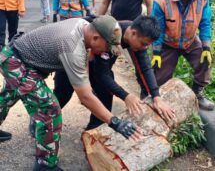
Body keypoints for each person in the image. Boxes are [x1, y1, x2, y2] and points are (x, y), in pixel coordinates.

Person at [0, 15, 142, 171]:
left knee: (7, 96)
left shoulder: (83, 25)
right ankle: (45, 166)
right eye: (107, 47)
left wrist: (87, 85)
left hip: (16, 55)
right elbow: (85, 97)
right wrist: (116, 123)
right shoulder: (73, 47)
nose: (107, 52)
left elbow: (84, 64)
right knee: (49, 110)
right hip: (17, 63)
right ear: (95, 38)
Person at [55, 15, 175, 130]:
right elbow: (102, 75)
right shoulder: (112, 34)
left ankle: (93, 132)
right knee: (62, 95)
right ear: (133, 33)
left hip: (96, 65)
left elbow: (145, 68)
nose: (145, 48)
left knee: (105, 97)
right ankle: (43, 122)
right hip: (72, 59)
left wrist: (156, 96)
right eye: (144, 44)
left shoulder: (136, 35)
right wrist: (126, 96)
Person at [151, 0, 214, 110]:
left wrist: (206, 47)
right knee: (159, 75)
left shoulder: (203, 0)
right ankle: (155, 96)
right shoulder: (162, 1)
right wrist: (157, 52)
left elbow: (205, 24)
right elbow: (157, 28)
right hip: (167, 44)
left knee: (205, 60)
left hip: (191, 41)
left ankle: (198, 93)